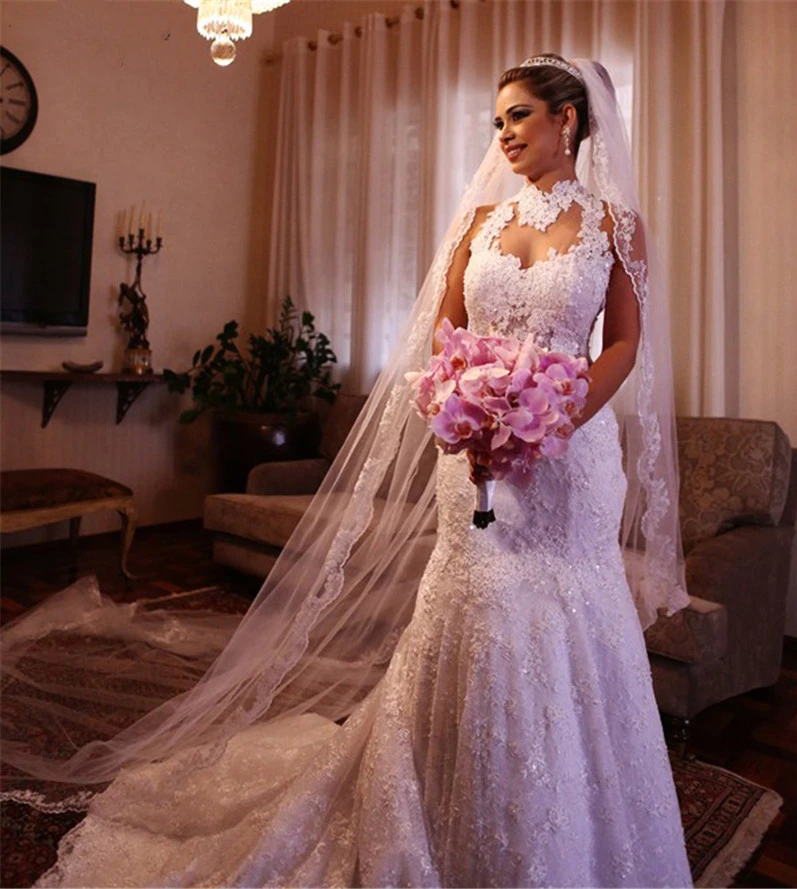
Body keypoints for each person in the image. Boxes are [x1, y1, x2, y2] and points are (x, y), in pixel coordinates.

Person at [1, 55, 694, 887]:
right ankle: (437, 803)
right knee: (472, 606)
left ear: (570, 121)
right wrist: (463, 412)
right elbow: (445, 338)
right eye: (495, 121)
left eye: (517, 116)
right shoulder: (477, 223)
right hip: (470, 458)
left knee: (565, 616)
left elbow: (621, 344)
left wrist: (559, 418)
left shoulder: (617, 225)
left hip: (567, 463)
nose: (502, 133)